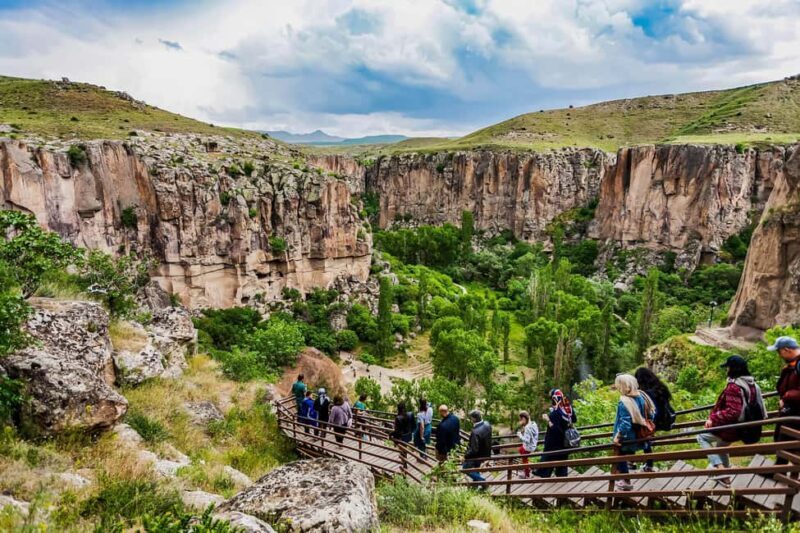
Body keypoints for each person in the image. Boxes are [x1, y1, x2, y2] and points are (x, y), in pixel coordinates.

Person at [697, 355, 765, 487]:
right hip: (744, 426)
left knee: (701, 437)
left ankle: (721, 470)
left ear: (733, 368)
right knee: (721, 447)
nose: (726, 370)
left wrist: (713, 418)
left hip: (732, 428)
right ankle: (726, 477)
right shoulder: (751, 383)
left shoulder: (734, 387)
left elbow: (733, 412)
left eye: (728, 367)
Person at [611, 373, 655, 491]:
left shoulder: (624, 402)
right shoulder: (642, 396)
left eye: (619, 386)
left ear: (624, 386)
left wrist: (617, 436)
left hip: (629, 437)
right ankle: (649, 466)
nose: (618, 388)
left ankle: (626, 481)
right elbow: (652, 414)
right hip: (641, 434)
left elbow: (625, 424)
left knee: (620, 454)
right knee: (646, 444)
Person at [634, 367, 674, 472]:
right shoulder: (661, 387)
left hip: (657, 422)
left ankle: (635, 462)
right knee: (643, 432)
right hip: (667, 419)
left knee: (638, 430)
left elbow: (652, 412)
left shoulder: (647, 393)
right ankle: (646, 464)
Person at [768, 336, 800, 466]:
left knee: (785, 441)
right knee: (782, 439)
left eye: (779, 351)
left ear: (787, 350)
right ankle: (779, 469)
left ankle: (779, 470)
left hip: (796, 413)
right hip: (790, 411)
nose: (779, 355)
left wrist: (786, 396)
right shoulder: (792, 365)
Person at [534, 389, 577, 478]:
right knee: (562, 465)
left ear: (555, 399)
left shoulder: (556, 412)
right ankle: (561, 479)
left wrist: (548, 420)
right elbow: (574, 419)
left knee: (547, 464)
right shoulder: (568, 408)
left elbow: (555, 429)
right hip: (565, 442)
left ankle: (543, 477)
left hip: (553, 443)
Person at [463, 410, 492, 486]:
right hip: (485, 453)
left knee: (465, 468)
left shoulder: (475, 432)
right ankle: (475, 485)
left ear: (474, 419)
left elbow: (474, 449)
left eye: (471, 418)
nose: (470, 419)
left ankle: (483, 482)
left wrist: (465, 456)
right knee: (476, 469)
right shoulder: (487, 424)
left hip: (477, 456)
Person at [517, 411, 539, 478]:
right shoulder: (534, 424)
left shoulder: (527, 427)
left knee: (524, 456)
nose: (520, 421)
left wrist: (520, 435)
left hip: (528, 447)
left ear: (524, 418)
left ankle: (527, 474)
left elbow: (527, 440)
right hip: (533, 445)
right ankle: (529, 466)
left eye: (521, 419)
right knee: (520, 450)